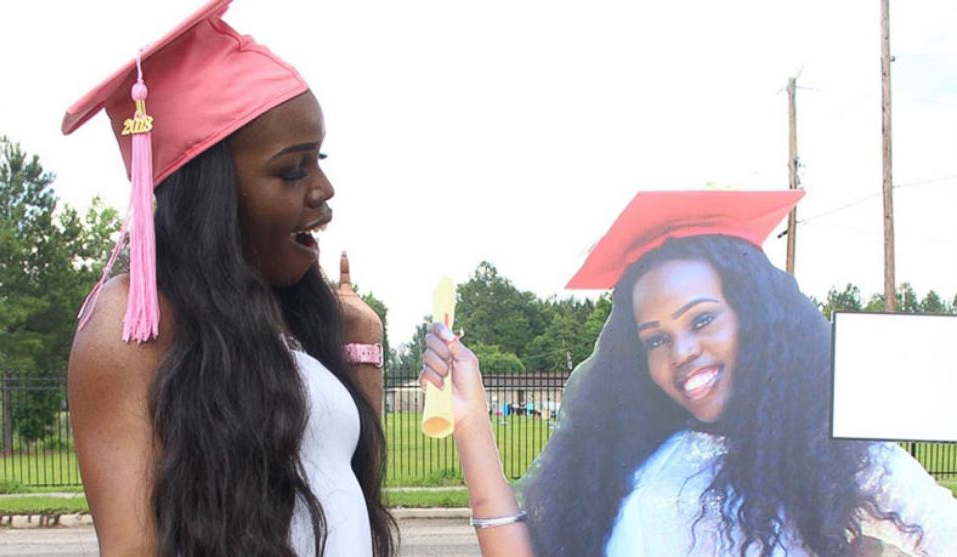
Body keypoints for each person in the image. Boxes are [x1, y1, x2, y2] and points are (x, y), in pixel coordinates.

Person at [422, 190, 957, 557]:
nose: (681, 351)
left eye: (702, 319)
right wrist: (470, 423)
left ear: (755, 316)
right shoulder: (628, 465)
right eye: (656, 338)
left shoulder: (840, 458)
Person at [64, 1, 394, 555]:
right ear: (211, 193)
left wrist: (361, 346)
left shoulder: (283, 318)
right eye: (293, 168)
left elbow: (343, 490)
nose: (324, 188)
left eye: (320, 159)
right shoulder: (134, 326)